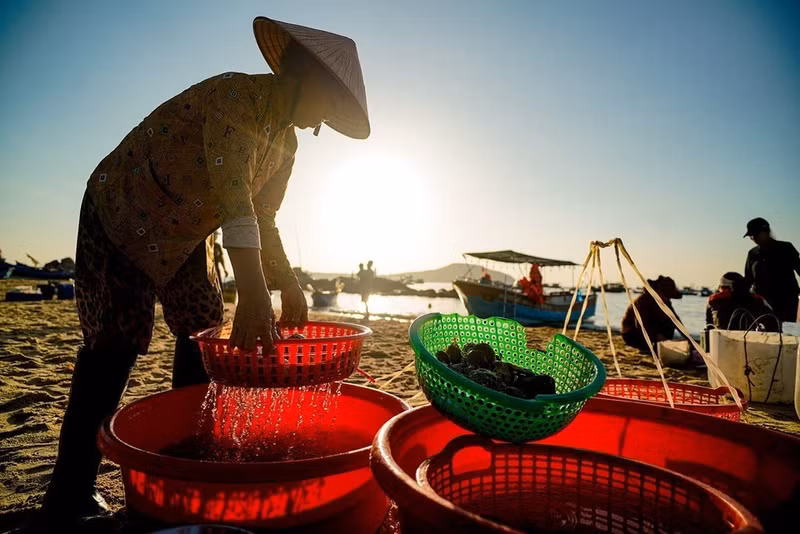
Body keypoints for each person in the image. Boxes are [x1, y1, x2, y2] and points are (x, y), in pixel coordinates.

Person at [39, 16, 370, 525]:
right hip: (125, 210)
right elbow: (234, 199)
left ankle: (186, 468)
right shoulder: (235, 98)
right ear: (305, 79)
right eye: (328, 104)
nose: (321, 123)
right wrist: (255, 293)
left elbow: (264, 217)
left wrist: (287, 282)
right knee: (115, 347)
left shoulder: (287, 144)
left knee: (201, 333)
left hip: (187, 232)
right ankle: (67, 495)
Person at [742, 217, 800, 323]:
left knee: (786, 335)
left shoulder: (786, 248)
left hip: (786, 302)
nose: (753, 238)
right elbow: (748, 280)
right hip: (762, 304)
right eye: (751, 236)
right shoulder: (752, 254)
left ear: (766, 232)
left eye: (755, 234)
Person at [621, 275, 683, 352]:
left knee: (670, 322)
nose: (668, 299)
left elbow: (676, 320)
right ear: (658, 292)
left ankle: (658, 345)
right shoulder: (643, 301)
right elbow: (641, 324)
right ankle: (648, 347)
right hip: (633, 334)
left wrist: (689, 340)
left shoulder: (666, 302)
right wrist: (655, 336)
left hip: (652, 331)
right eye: (666, 295)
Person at [706, 272, 778, 331]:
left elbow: (709, 327)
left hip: (720, 342)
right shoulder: (759, 300)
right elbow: (774, 325)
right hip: (750, 341)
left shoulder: (713, 300)